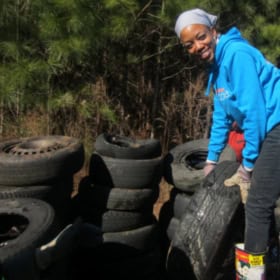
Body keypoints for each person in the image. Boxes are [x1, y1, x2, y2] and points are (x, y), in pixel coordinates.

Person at [174, 8, 280, 279]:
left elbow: (254, 113)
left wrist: (248, 165)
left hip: (276, 125)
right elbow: (223, 115)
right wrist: (211, 161)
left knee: (257, 203)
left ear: (212, 30)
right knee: (260, 199)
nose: (198, 47)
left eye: (200, 37)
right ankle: (272, 262)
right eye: (189, 45)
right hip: (270, 126)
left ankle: (251, 276)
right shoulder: (217, 67)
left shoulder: (236, 55)